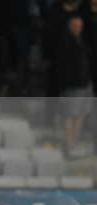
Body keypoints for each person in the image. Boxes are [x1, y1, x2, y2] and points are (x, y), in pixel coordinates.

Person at [54, 16, 93, 158]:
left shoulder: (81, 41)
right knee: (70, 114)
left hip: (84, 83)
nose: (78, 29)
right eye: (75, 25)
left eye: (80, 26)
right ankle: (68, 145)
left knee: (82, 113)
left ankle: (73, 143)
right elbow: (64, 60)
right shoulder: (65, 40)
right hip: (73, 84)